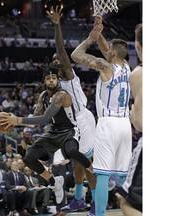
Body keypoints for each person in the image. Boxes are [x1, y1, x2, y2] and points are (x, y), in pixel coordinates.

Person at [0, 63, 93, 205]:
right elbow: (37, 115)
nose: (50, 80)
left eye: (53, 78)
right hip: (53, 132)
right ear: (44, 81)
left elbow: (45, 119)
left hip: (69, 131)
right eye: (48, 78)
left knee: (72, 151)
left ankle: (93, 170)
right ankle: (54, 181)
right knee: (29, 158)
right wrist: (14, 119)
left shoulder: (61, 95)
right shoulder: (43, 96)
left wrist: (17, 120)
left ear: (58, 80)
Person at [71, 16, 132, 216]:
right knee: (123, 176)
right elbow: (110, 51)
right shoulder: (127, 67)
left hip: (108, 124)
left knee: (102, 174)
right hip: (125, 124)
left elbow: (76, 55)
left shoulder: (105, 67)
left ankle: (99, 214)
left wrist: (90, 39)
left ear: (111, 53)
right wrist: (100, 34)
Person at [46, 6, 97, 214]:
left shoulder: (67, 73)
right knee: (77, 162)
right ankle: (78, 199)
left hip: (83, 120)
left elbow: (60, 50)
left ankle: (96, 202)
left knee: (86, 163)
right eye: (55, 60)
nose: (58, 60)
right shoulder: (55, 85)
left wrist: (57, 25)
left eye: (60, 59)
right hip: (72, 124)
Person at [117, 23, 143, 216]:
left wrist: (132, 113)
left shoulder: (140, 73)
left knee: (127, 204)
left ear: (138, 45)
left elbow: (141, 123)